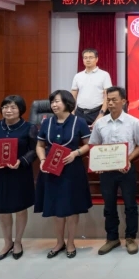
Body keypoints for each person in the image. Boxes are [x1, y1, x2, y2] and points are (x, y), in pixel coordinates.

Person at [34, 89, 93, 259]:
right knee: (56, 207)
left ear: (67, 103)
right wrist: (42, 159)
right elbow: (40, 145)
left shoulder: (79, 122)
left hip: (72, 170)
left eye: (57, 101)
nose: (54, 105)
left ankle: (71, 242)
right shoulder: (46, 123)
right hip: (51, 170)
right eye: (52, 102)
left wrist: (76, 153)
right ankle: (59, 242)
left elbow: (89, 144)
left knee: (71, 207)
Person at [89, 86, 139, 256]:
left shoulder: (133, 122)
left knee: (130, 205)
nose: (111, 103)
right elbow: (94, 145)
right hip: (106, 171)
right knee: (109, 205)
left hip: (126, 170)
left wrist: (127, 159)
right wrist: (98, 162)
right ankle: (112, 238)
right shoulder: (100, 123)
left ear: (123, 101)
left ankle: (130, 238)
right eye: (108, 100)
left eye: (114, 100)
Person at [0, 95, 37, 262]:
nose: (8, 110)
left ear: (20, 110)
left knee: (20, 208)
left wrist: (22, 161)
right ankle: (7, 243)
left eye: (13, 107)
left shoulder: (29, 127)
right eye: (5, 107)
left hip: (20, 173)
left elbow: (35, 149)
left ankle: (18, 242)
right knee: (3, 209)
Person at [71, 48, 113, 125]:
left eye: (91, 57)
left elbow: (107, 96)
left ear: (96, 59)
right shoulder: (78, 76)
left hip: (97, 112)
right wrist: (72, 111)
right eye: (85, 58)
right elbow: (73, 96)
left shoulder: (104, 75)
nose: (88, 60)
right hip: (80, 112)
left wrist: (101, 114)